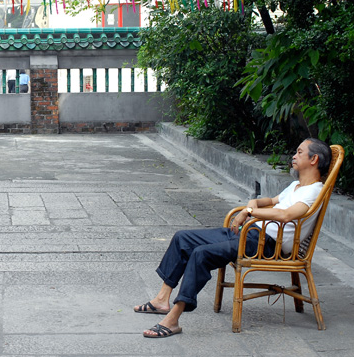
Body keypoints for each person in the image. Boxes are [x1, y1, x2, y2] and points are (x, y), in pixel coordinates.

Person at [137, 138, 331, 338]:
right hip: (251, 233)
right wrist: (253, 203)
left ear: (314, 159)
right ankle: (162, 299)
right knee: (183, 238)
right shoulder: (296, 186)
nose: (294, 155)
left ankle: (173, 319)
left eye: (299, 152)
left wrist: (249, 211)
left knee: (200, 254)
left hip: (266, 244)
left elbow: (286, 215)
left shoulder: (314, 191)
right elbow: (271, 201)